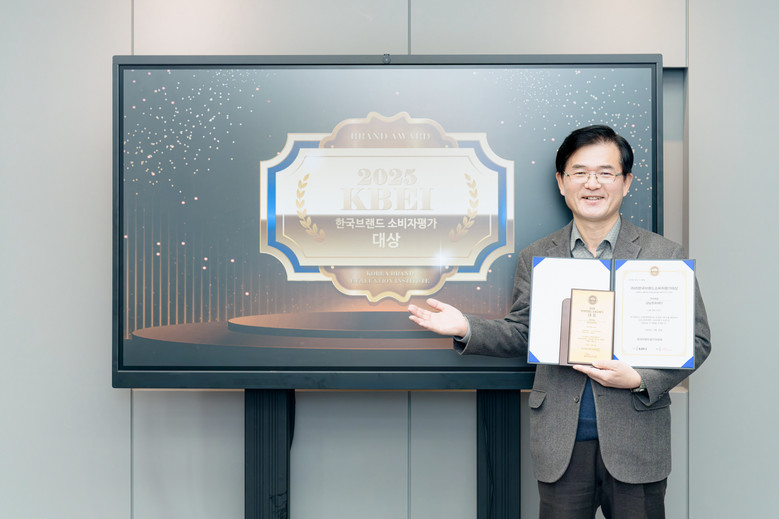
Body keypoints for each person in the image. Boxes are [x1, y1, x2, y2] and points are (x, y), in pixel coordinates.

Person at [408, 125, 711, 519]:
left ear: (626, 182)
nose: (592, 183)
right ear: (561, 182)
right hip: (561, 444)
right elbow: (523, 332)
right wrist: (467, 327)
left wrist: (639, 379)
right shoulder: (537, 256)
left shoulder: (664, 255)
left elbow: (696, 341)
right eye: (579, 172)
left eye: (605, 173)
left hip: (636, 441)